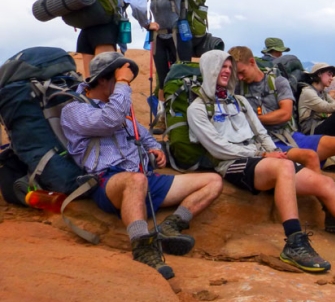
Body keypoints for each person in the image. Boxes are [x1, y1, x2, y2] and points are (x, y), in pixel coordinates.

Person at [186, 50, 335, 273]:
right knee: (285, 166)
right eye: (221, 67)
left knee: (323, 183)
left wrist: (273, 150)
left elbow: (261, 132)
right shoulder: (196, 109)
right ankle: (294, 243)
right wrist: (263, 155)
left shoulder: (239, 101)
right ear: (209, 70)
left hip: (263, 159)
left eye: (229, 67)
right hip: (233, 163)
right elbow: (217, 147)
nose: (226, 71)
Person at [61, 52, 224, 280]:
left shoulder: (119, 107)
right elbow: (109, 121)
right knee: (135, 180)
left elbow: (145, 137)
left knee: (213, 181)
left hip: (145, 179)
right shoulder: (74, 110)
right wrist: (124, 84)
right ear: (103, 79)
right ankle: (142, 247)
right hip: (108, 181)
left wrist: (155, 151)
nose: (123, 84)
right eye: (118, 78)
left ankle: (171, 226)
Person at [228, 46, 335, 211]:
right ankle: (330, 210)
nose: (240, 77)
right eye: (237, 74)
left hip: (290, 135)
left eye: (242, 72)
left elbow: (285, 114)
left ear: (252, 62)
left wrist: (253, 118)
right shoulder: (238, 88)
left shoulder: (277, 82)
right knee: (310, 155)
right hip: (266, 142)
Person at [129, 0, 191, 97]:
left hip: (177, 35)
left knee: (181, 74)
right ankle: (163, 112)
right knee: (162, 77)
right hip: (159, 37)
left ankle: (182, 108)